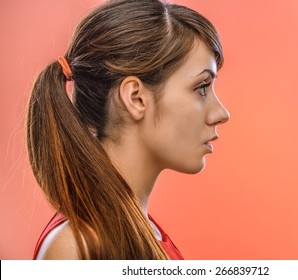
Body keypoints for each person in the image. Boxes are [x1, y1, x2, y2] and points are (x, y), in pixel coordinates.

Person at [27, 0, 229, 260]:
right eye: (201, 87)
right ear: (135, 98)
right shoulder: (80, 248)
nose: (221, 113)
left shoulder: (143, 233)